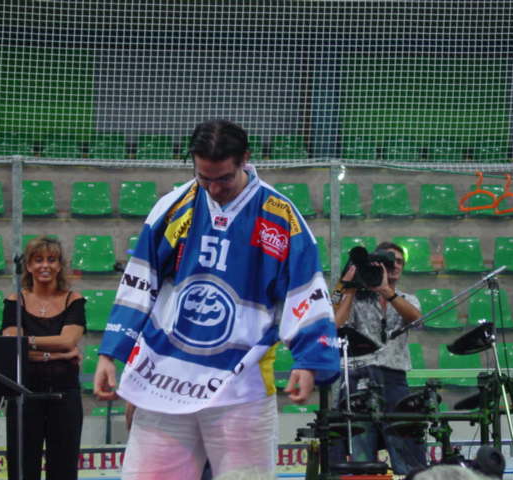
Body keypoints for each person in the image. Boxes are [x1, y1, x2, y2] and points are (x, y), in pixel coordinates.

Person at [94, 119, 340, 480]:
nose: (213, 188)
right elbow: (139, 281)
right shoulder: (174, 206)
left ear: (245, 159)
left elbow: (305, 291)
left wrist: (309, 360)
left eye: (223, 178)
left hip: (241, 382)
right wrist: (110, 352)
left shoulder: (280, 216)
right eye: (203, 178)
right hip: (165, 376)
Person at [333, 241, 426, 474]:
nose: (394, 265)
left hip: (394, 379)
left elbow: (418, 321)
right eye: (388, 260)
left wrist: (386, 291)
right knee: (361, 454)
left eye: (399, 262)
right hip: (358, 377)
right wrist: (350, 287)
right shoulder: (357, 299)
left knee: (406, 451)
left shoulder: (407, 299)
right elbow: (335, 325)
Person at [1, 236, 85, 480]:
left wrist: (29, 342)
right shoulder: (15, 300)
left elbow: (68, 341)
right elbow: (11, 344)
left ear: (60, 265)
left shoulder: (74, 300)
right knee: (22, 467)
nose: (45, 265)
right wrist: (57, 352)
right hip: (24, 394)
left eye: (52, 259)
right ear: (28, 266)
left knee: (64, 468)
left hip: (65, 395)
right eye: (38, 260)